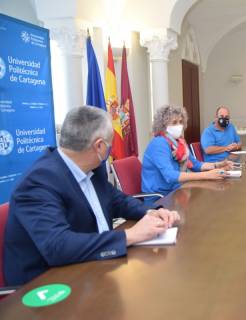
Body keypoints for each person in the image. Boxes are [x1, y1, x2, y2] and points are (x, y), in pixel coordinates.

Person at [4, 106, 180, 286]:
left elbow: (118, 200)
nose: (109, 150)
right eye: (110, 144)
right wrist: (130, 236)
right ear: (99, 146)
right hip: (47, 286)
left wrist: (151, 212)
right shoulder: (39, 182)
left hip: (93, 266)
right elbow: (57, 246)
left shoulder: (92, 166)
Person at [142, 105, 233, 198]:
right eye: (174, 122)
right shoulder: (159, 143)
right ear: (163, 125)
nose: (179, 125)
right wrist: (207, 175)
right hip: (160, 198)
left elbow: (195, 165)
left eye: (181, 122)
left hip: (177, 190)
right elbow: (170, 176)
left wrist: (217, 165)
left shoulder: (180, 142)